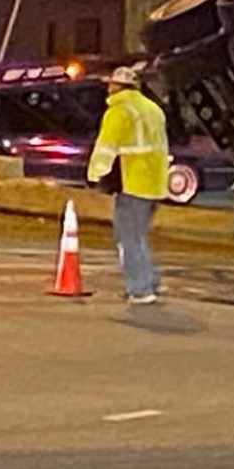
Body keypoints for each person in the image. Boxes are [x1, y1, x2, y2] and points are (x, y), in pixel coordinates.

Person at [86, 66, 170, 304]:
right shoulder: (153, 110)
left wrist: (95, 175)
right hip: (154, 183)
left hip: (133, 182)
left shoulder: (119, 111)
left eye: (110, 84)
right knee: (139, 236)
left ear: (117, 86)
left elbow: (106, 146)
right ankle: (149, 281)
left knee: (129, 238)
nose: (108, 89)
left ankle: (140, 289)